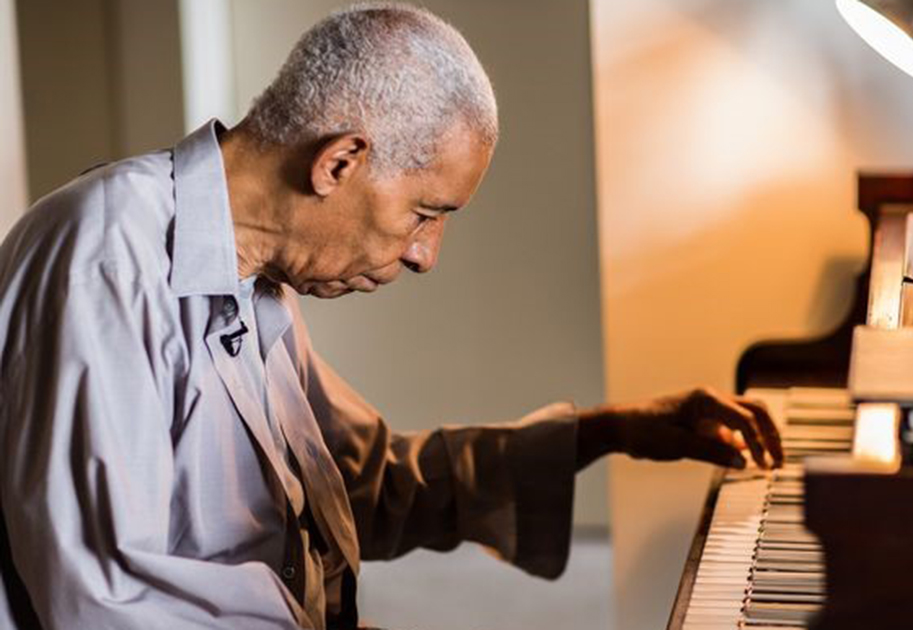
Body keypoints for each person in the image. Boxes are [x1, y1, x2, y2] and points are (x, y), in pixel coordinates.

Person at [0, 3, 782, 629]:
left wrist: (611, 432)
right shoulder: (103, 256)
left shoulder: (257, 280)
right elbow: (104, 601)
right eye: (426, 213)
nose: (425, 255)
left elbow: (367, 486)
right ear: (340, 161)